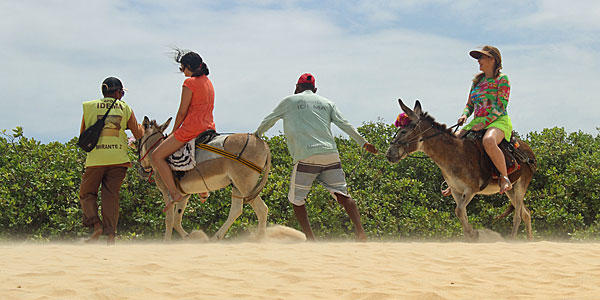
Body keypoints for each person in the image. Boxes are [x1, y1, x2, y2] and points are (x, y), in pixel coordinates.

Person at [255, 73, 378, 241]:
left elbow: (269, 120)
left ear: (297, 88)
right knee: (343, 196)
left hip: (306, 157)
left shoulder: (289, 101)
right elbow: (345, 125)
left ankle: (311, 239)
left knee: (297, 200)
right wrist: (364, 143)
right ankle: (361, 232)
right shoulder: (327, 103)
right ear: (315, 89)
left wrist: (256, 134)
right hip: (330, 156)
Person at [79, 76, 144, 245]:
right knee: (111, 196)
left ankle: (96, 225)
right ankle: (110, 236)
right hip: (119, 159)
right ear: (116, 92)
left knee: (87, 193)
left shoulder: (89, 107)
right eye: (122, 92)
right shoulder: (125, 108)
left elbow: (83, 134)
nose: (122, 95)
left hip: (95, 159)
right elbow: (139, 134)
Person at [444, 45, 513, 195]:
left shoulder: (502, 79)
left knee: (488, 141)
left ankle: (504, 177)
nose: (479, 61)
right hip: (477, 122)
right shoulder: (477, 82)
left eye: (481, 58)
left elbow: (501, 105)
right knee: (452, 142)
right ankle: (455, 181)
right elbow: (469, 104)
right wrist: (464, 115)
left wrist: (485, 122)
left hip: (498, 121)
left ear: (492, 59)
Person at [152, 49, 214, 208]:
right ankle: (202, 190)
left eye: (182, 68)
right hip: (208, 127)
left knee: (157, 156)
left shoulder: (189, 83)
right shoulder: (208, 82)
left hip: (191, 129)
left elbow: (182, 112)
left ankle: (174, 193)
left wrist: (173, 132)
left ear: (188, 67)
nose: (182, 72)